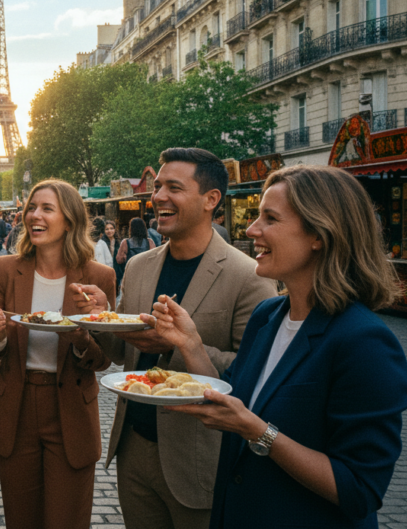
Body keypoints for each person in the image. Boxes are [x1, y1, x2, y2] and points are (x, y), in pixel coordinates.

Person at [151, 165, 407, 529]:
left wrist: (259, 433)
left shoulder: (364, 341)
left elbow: (360, 489)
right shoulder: (268, 315)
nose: (251, 230)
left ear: (319, 234)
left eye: (269, 219)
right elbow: (235, 399)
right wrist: (189, 342)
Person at [86, 147, 278, 529]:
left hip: (196, 457)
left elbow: (255, 374)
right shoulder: (139, 267)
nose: (158, 197)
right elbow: (121, 352)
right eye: (157, 187)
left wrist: (180, 345)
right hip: (134, 448)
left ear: (211, 200)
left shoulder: (248, 276)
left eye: (174, 187)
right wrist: (99, 319)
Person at [0, 179, 115, 529]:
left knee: (66, 521)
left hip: (69, 409)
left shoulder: (99, 276)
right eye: (31, 208)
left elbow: (106, 358)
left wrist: (83, 337)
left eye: (47, 209)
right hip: (17, 409)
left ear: (69, 221)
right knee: (20, 520)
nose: (34, 215)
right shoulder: (6, 269)